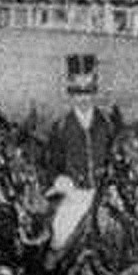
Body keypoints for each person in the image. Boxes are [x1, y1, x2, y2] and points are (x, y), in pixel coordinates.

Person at [43, 53, 115, 191]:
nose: (83, 99)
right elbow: (52, 164)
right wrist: (59, 180)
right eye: (78, 94)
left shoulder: (107, 123)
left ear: (94, 93)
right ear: (71, 95)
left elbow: (115, 157)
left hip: (104, 192)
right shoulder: (60, 127)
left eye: (88, 93)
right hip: (73, 192)